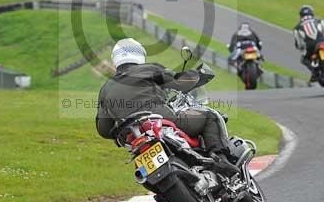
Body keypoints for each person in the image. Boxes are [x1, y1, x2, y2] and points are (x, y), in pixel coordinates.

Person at [95, 38, 238, 176]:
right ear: (139, 54)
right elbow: (179, 82)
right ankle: (221, 159)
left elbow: (104, 129)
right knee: (209, 116)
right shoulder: (149, 69)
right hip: (161, 120)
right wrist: (197, 74)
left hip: (133, 137)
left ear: (116, 59)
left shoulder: (105, 89)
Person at [292, 5, 324, 82]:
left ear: (300, 15)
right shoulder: (319, 20)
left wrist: (301, 47)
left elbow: (299, 44)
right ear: (312, 13)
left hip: (310, 46)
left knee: (304, 59)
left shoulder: (297, 27)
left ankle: (315, 73)